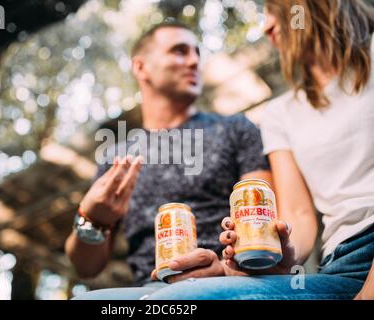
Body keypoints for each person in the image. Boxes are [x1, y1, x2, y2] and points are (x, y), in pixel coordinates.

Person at [145, 0, 374, 300]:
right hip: (340, 264)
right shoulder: (279, 113)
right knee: (175, 301)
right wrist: (276, 253)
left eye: (272, 10)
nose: (266, 26)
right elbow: (299, 214)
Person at [65, 22, 271, 300]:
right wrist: (92, 219)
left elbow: (264, 226)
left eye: (197, 53)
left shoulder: (236, 129)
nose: (194, 61)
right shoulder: (116, 159)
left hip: (232, 282)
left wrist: (227, 269)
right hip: (149, 292)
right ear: (141, 68)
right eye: (179, 51)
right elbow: (86, 266)